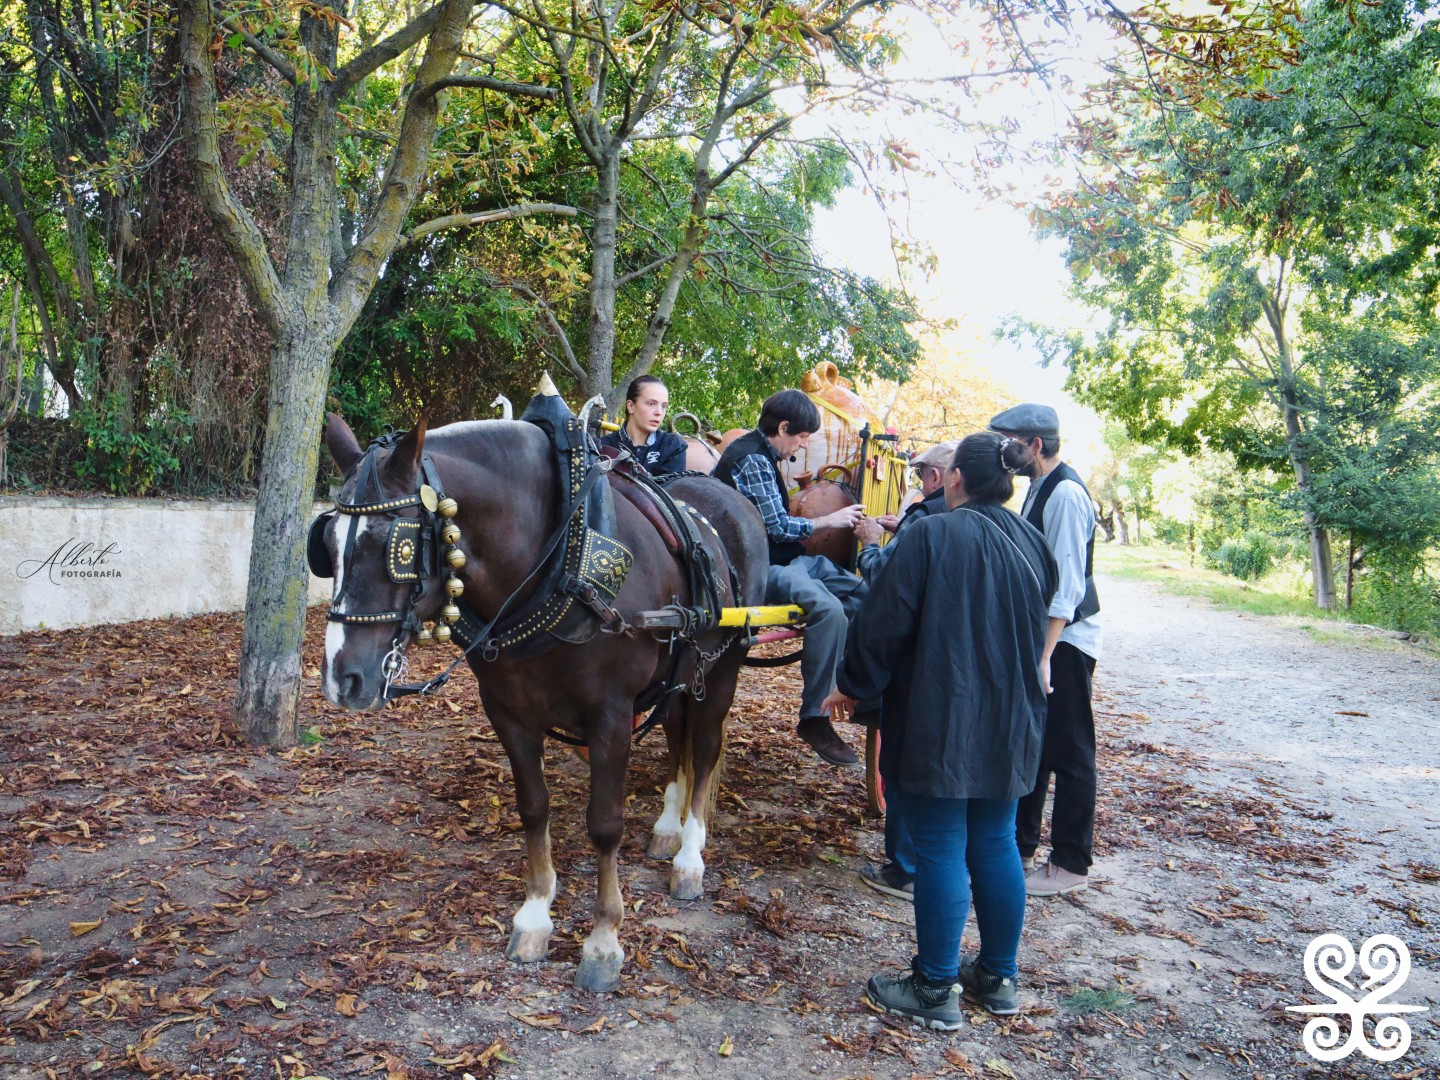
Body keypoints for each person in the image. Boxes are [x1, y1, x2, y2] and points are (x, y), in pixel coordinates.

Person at [826, 432, 1057, 1029]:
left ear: (956, 479)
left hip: (942, 715)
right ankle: (998, 978)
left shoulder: (929, 535)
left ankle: (934, 988)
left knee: (941, 847)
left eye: (946, 467)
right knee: (997, 840)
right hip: (1012, 719)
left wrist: (852, 683)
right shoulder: (1030, 540)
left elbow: (880, 623)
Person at [713, 389, 867, 766]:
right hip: (756, 567)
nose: (803, 444)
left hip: (791, 560)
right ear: (783, 427)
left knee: (864, 592)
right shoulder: (750, 459)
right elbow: (777, 528)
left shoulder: (765, 455)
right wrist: (830, 520)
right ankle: (814, 717)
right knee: (829, 610)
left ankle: (854, 686)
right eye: (801, 437)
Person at [989, 403, 1102, 898]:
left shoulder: (1067, 496)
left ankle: (1072, 861)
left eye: (1009, 441)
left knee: (1071, 750)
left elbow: (1068, 586)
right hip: (1044, 638)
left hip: (1067, 642)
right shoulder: (1037, 486)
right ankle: (1020, 846)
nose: (1002, 451)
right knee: (1034, 746)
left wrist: (1043, 655)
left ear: (1035, 446)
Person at [851, 439, 956, 902]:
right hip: (953, 662)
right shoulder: (970, 523)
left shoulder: (923, 522)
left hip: (912, 662)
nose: (917, 483)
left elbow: (884, 583)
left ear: (936, 477)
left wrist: (871, 544)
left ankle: (905, 869)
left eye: (919, 476)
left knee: (900, 758)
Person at [601, 375, 688, 476]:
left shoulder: (673, 446)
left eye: (663, 406)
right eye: (651, 404)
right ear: (631, 406)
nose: (659, 412)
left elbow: (671, 490)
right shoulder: (602, 447)